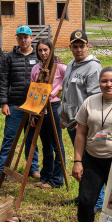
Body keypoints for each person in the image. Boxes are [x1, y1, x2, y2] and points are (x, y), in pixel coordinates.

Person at [62, 67, 112, 222]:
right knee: (87, 200)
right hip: (91, 158)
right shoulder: (90, 102)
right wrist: (78, 161)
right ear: (99, 83)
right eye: (104, 81)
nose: (108, 85)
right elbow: (80, 132)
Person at [58, 29, 103, 206]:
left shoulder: (93, 67)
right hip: (72, 123)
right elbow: (68, 94)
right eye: (75, 46)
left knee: (91, 162)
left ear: (87, 46)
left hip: (84, 125)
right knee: (82, 161)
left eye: (82, 46)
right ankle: (84, 197)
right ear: (70, 47)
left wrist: (83, 122)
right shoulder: (71, 64)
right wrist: (64, 118)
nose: (79, 50)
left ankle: (97, 202)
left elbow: (94, 98)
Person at [0, 26, 39, 179]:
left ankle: (33, 168)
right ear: (17, 39)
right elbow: (4, 80)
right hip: (15, 104)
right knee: (9, 138)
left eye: (26, 37)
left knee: (31, 139)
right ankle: (1, 171)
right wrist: (4, 103)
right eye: (20, 37)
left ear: (31, 38)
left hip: (34, 106)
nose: (23, 40)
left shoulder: (38, 55)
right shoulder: (10, 57)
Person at [31, 39, 67, 190]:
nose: (43, 53)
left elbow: (69, 81)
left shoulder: (59, 67)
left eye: (46, 50)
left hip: (53, 106)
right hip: (40, 107)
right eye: (40, 50)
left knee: (57, 144)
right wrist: (33, 112)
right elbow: (33, 90)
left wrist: (58, 91)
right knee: (45, 143)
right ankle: (46, 175)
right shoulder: (36, 69)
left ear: (51, 50)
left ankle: (57, 179)